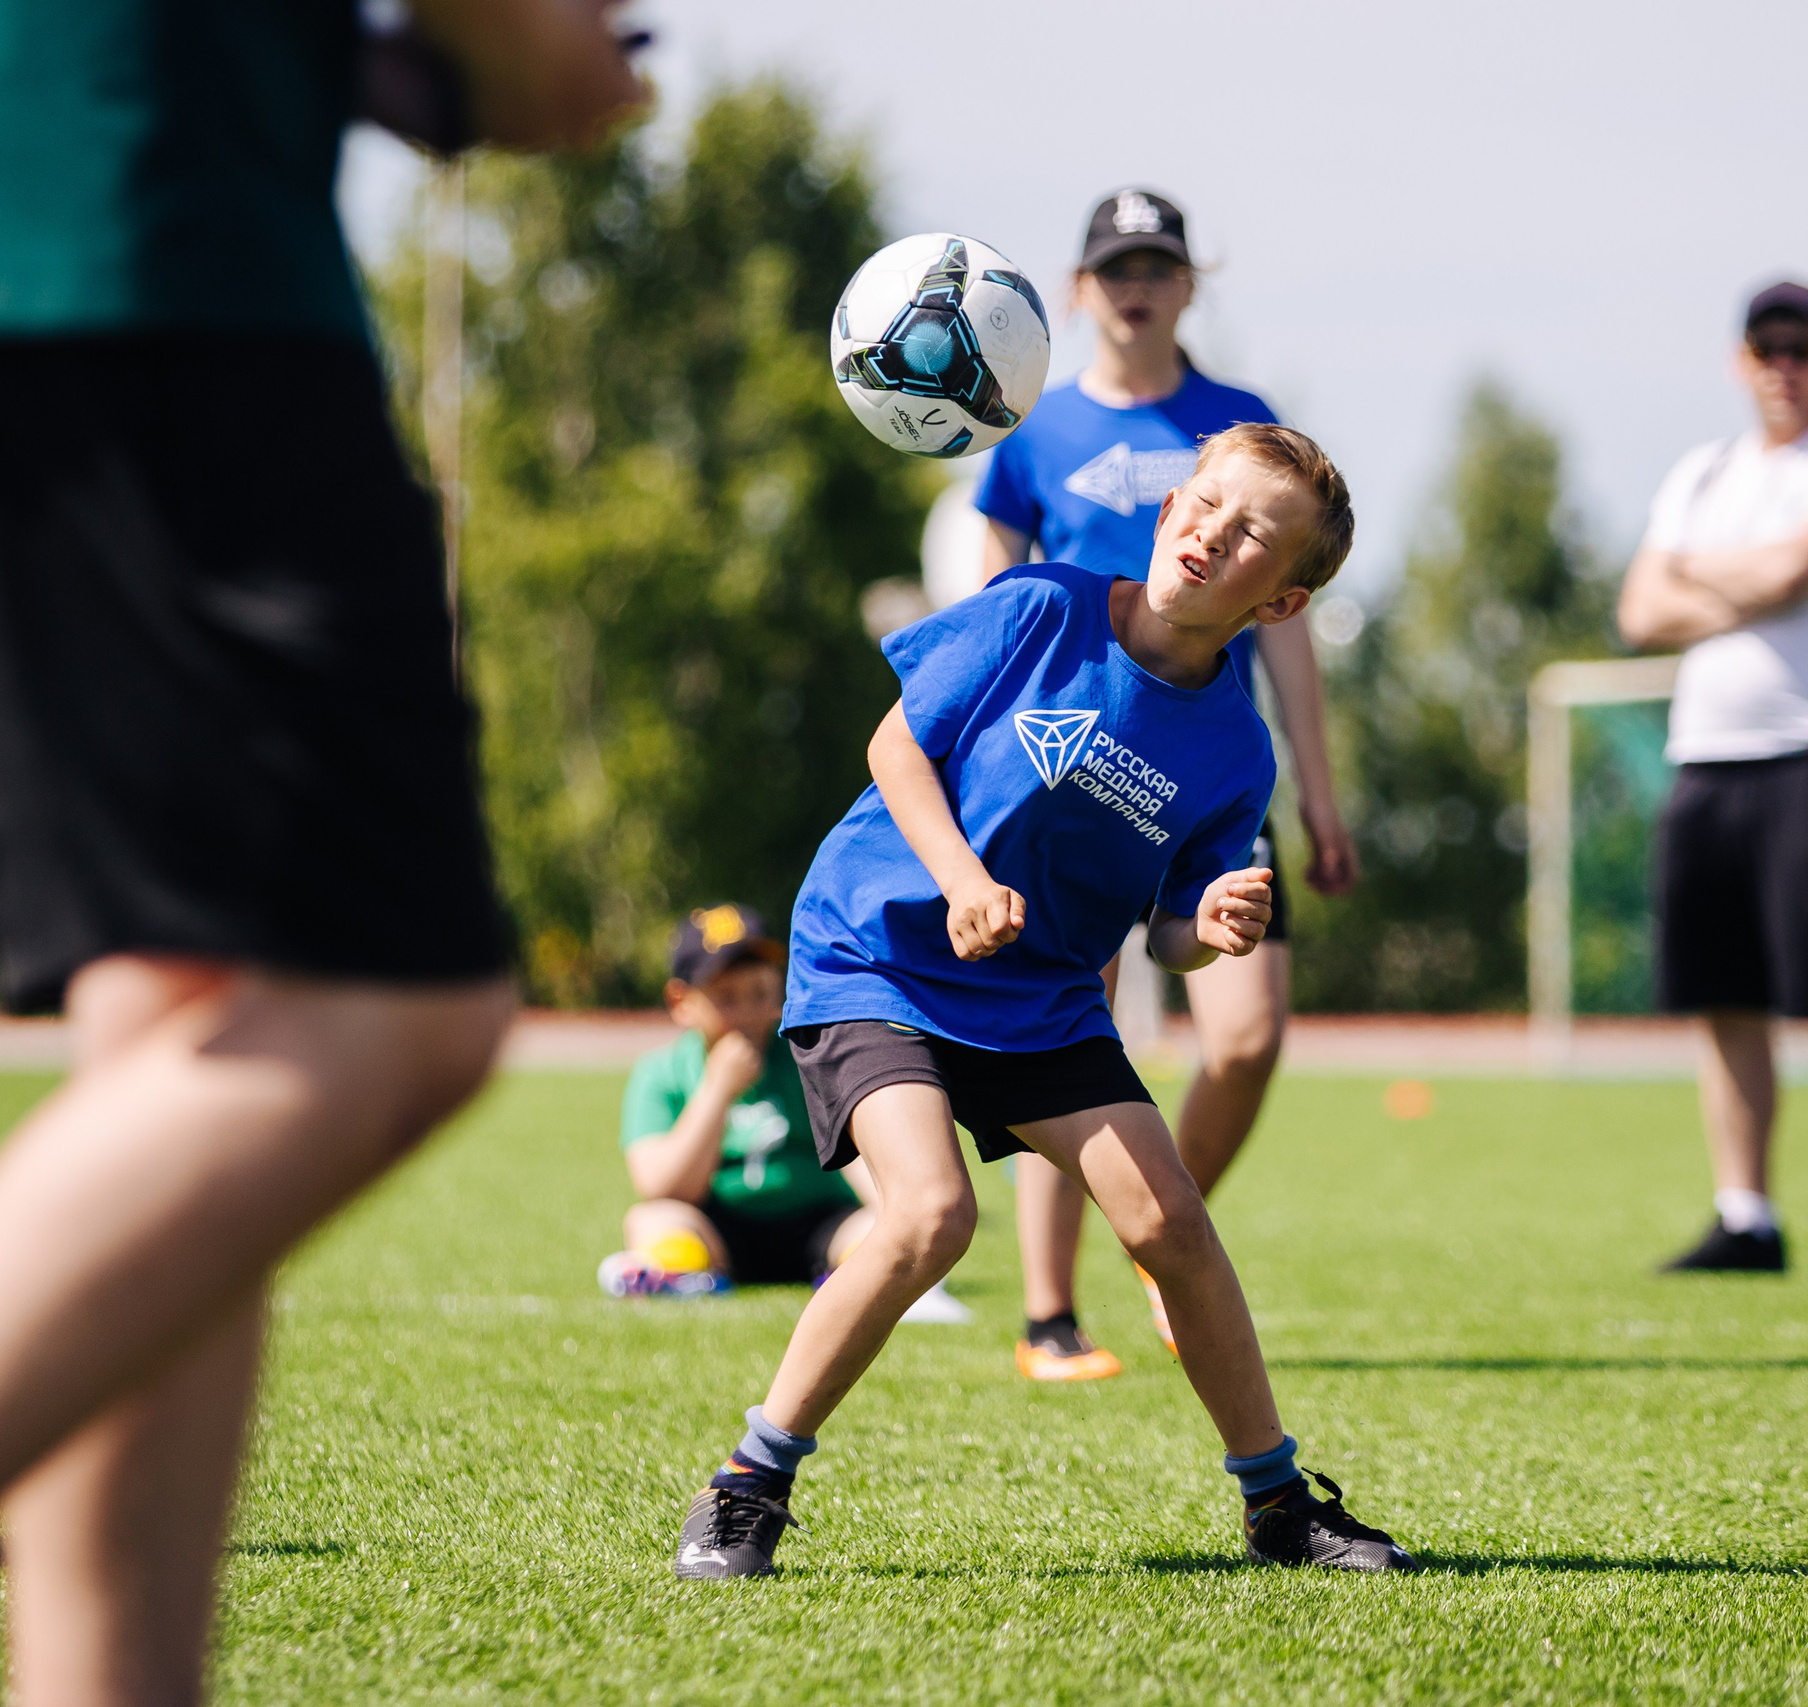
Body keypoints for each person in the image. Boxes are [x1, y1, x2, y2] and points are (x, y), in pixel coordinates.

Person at [0, 0, 640, 1698]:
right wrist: (532, 43)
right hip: (153, 248)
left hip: (92, 219)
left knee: (187, 1009)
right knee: (386, 1004)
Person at [670, 424, 1414, 1579]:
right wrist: (964, 883)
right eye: (1204, 504)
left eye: (1252, 534)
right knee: (930, 1217)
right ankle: (746, 1484)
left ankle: (1278, 1506)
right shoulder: (1041, 609)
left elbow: (1167, 934)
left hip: (1041, 1000)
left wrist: (1209, 927)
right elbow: (894, 749)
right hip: (878, 958)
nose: (1212, 533)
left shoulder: (1235, 751)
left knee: (1170, 1225)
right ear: (1167, 511)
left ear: (1282, 603)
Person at [974, 188, 1359, 1380]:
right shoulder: (1031, 430)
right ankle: (1049, 1314)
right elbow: (994, 603)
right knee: (1064, 1032)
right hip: (1063, 767)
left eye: (1156, 265)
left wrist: (1319, 793)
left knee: (1246, 1035)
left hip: (1199, 775)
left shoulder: (1242, 424)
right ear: (1078, 288)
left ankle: (1159, 1232)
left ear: (1191, 285)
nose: (1134, 285)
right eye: (1114, 266)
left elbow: (1289, 634)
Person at [1617, 282, 1808, 1280]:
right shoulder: (1702, 471)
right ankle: (1746, 1215)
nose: (1782, 366)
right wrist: (1754, 578)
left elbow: (1798, 572)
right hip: (1709, 761)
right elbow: (1638, 611)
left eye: (1800, 348)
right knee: (1723, 995)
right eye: (1766, 349)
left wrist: (1699, 574)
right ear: (1739, 361)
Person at [603, 905, 975, 1320]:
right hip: (720, 1227)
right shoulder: (661, 1072)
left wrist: (901, 1215)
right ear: (681, 1001)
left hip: (820, 1222)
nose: (748, 1013)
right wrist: (717, 1091)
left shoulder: (808, 1060)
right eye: (727, 998)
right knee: (653, 1219)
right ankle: (681, 1275)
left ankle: (862, 1276)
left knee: (877, 1225)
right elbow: (664, 1185)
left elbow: (862, 1157)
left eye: (760, 993)